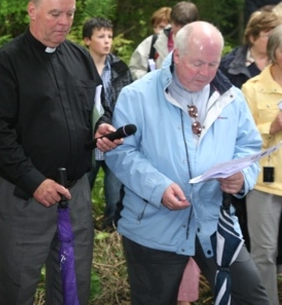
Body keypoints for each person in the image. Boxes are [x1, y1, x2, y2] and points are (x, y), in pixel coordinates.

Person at [106, 21, 268, 305]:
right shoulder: (138, 95)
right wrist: (158, 188)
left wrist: (242, 176)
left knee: (252, 296)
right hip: (153, 225)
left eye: (212, 64)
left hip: (215, 221)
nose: (205, 73)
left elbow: (249, 147)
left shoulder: (231, 97)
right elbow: (121, 153)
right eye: (197, 64)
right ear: (176, 55)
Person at [0, 0, 120, 305]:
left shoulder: (79, 57)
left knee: (73, 285)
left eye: (70, 14)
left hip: (75, 192)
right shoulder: (6, 64)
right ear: (32, 10)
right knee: (15, 286)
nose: (64, 22)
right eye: (55, 13)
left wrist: (101, 126)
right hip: (24, 196)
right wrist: (33, 182)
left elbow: (99, 106)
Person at [242, 24, 282, 304]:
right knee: (264, 253)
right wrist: (272, 126)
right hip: (265, 182)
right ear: (276, 52)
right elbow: (241, 138)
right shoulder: (252, 88)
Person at [82, 17, 133, 230]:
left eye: (110, 36)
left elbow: (126, 102)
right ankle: (81, 228)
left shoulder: (120, 67)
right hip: (86, 138)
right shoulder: (77, 66)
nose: (106, 41)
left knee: (115, 191)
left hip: (114, 137)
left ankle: (112, 229)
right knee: (83, 188)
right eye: (101, 36)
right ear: (87, 40)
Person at [129, 1, 199, 80]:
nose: (180, 29)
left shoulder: (204, 46)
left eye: (184, 26)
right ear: (171, 22)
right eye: (176, 25)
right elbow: (134, 69)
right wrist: (152, 81)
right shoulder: (153, 42)